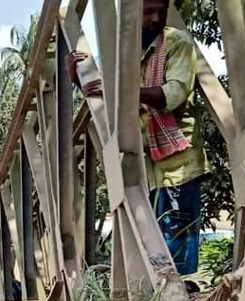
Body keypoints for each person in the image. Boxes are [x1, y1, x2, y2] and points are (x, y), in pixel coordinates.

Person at [67, 0, 208, 274]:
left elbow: (173, 94)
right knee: (150, 258)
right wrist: (78, 82)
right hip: (144, 174)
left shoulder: (176, 43)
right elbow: (111, 109)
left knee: (174, 263)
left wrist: (120, 90)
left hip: (178, 170)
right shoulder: (125, 58)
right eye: (147, 12)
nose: (155, 18)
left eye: (161, 11)